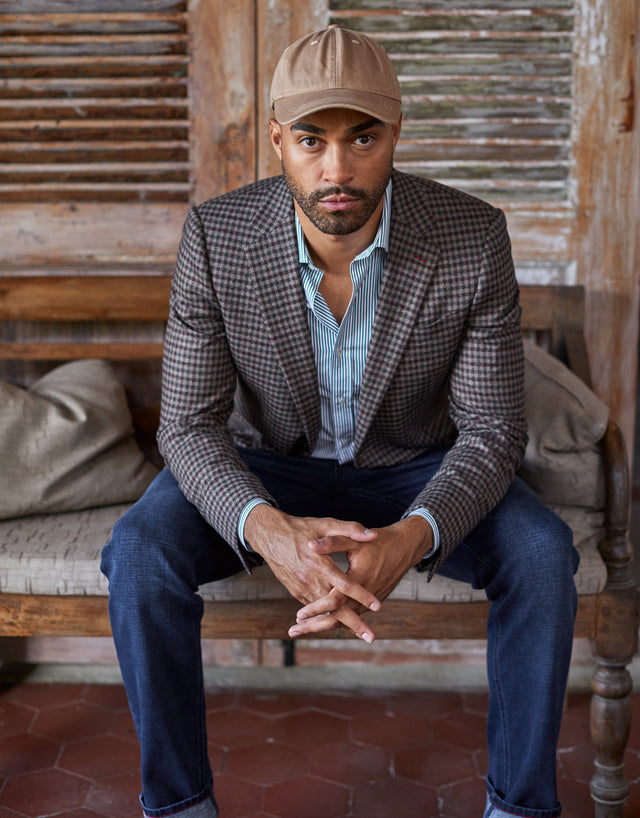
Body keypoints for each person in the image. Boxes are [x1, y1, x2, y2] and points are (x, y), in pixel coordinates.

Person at [101, 25, 579, 818]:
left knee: (541, 554)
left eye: (362, 138)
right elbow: (187, 426)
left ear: (396, 133)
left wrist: (412, 536)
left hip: (415, 467)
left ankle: (521, 808)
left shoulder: (471, 235)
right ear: (277, 140)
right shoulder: (218, 238)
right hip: (265, 465)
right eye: (311, 140)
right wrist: (268, 530)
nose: (337, 169)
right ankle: (179, 806)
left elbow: (493, 433)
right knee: (139, 553)